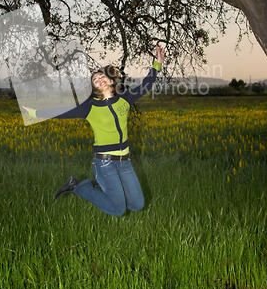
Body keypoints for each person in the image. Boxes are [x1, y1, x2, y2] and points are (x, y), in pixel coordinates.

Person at [23, 45, 165, 217]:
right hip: (104, 162)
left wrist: (158, 63)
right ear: (95, 87)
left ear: (111, 81)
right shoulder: (90, 107)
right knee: (118, 210)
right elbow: (60, 112)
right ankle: (77, 186)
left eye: (101, 76)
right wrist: (34, 112)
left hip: (124, 162)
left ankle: (101, 183)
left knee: (137, 204)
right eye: (95, 80)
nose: (99, 79)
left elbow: (147, 84)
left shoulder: (125, 99)